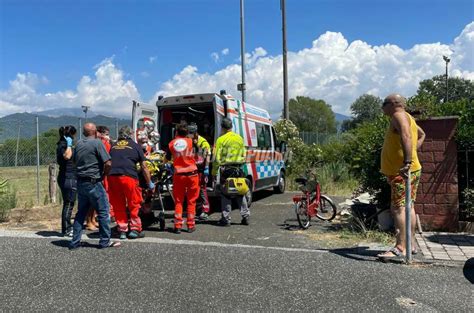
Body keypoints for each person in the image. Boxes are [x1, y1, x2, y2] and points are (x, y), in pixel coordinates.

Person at [377, 94, 425, 259]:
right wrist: (413, 152)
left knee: (398, 208)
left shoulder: (398, 116)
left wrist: (407, 161)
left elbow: (406, 135)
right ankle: (410, 244)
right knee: (409, 206)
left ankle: (400, 247)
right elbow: (421, 134)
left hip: (402, 172)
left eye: (384, 103)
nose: (382, 107)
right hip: (410, 170)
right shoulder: (408, 117)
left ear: (393, 104)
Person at [69, 123, 120, 249]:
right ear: (95, 132)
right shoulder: (97, 143)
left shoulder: (79, 144)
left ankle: (75, 242)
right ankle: (104, 241)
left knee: (81, 213)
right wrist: (104, 175)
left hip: (81, 182)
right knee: (103, 211)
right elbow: (108, 163)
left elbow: (74, 161)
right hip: (94, 181)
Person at [108, 126, 154, 240]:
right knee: (134, 203)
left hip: (113, 177)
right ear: (130, 134)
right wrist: (149, 183)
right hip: (128, 177)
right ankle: (135, 229)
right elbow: (144, 166)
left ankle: (122, 230)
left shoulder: (113, 146)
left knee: (118, 204)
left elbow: (108, 163)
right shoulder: (135, 146)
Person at [212, 117, 250, 226]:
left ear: (222, 127)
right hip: (239, 168)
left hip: (226, 169)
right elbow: (244, 154)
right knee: (240, 192)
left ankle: (226, 219)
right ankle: (245, 216)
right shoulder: (239, 138)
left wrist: (214, 172)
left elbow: (216, 158)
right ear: (231, 126)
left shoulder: (220, 140)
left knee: (226, 194)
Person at [166, 122, 200, 233]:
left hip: (179, 175)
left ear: (176, 132)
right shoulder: (191, 142)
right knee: (191, 201)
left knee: (179, 201)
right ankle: (190, 225)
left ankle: (178, 225)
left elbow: (167, 158)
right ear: (187, 133)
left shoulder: (171, 143)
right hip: (192, 174)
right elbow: (198, 155)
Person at [56, 125, 77, 237]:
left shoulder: (61, 144)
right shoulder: (63, 145)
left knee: (68, 203)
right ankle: (67, 229)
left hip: (67, 176)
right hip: (68, 177)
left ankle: (67, 227)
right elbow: (67, 157)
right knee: (69, 203)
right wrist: (69, 144)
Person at [188, 122, 211, 221]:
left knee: (202, 189)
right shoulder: (188, 140)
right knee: (193, 190)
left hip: (201, 169)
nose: (189, 135)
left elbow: (208, 155)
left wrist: (206, 167)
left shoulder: (203, 142)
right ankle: (196, 210)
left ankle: (205, 211)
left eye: (191, 133)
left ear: (195, 132)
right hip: (192, 169)